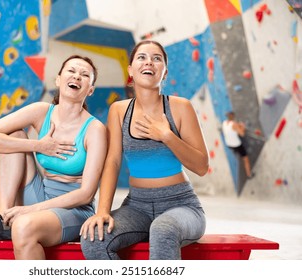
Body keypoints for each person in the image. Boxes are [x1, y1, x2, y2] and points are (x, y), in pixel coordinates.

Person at [0, 55, 107, 260]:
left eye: (85, 75)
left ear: (90, 90)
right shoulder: (41, 111)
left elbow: (86, 194)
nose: (77, 76)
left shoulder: (95, 129)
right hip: (41, 192)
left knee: (23, 226)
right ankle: (3, 217)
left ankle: (14, 220)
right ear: (58, 79)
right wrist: (39, 145)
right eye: (71, 71)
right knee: (14, 137)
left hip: (74, 209)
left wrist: (29, 210)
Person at [80, 40, 209, 260]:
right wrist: (102, 211)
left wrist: (167, 136)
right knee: (94, 238)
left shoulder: (180, 107)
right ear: (130, 70)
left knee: (163, 230)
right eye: (142, 57)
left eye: (156, 58)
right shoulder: (119, 110)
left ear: (164, 72)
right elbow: (112, 162)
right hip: (136, 206)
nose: (149, 61)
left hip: (181, 205)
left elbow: (202, 167)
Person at [222, 111, 254, 179]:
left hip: (229, 144)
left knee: (236, 151)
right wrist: (242, 126)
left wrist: (238, 125)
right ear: (233, 117)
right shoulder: (234, 124)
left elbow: (233, 128)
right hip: (237, 145)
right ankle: (249, 174)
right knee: (246, 159)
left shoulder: (224, 123)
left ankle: (237, 153)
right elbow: (242, 134)